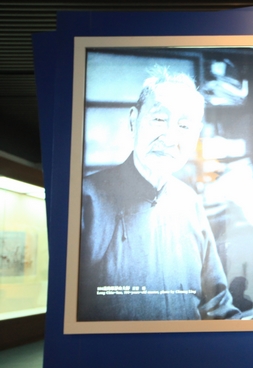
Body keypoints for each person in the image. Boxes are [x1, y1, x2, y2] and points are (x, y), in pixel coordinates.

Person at [77, 65, 240, 321]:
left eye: (184, 126)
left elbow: (218, 303)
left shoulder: (189, 202)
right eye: (159, 119)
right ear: (133, 120)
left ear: (195, 135)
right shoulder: (86, 199)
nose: (170, 138)